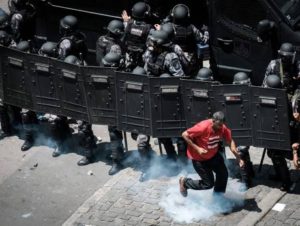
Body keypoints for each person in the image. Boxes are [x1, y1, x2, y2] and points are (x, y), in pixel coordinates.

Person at [180, 111, 244, 197]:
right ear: (213, 121)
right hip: (199, 159)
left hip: (213, 156)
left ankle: (218, 199)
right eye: (218, 125)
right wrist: (197, 148)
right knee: (208, 184)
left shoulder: (222, 127)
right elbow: (184, 134)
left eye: (222, 125)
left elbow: (230, 141)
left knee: (223, 174)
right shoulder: (202, 127)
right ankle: (185, 183)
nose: (220, 127)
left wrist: (238, 158)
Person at [162, 4, 208, 76]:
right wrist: (206, 32)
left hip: (172, 60)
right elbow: (203, 40)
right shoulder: (192, 28)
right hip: (189, 61)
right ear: (188, 15)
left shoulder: (168, 27)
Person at [232, 72, 255, 189]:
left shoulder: (250, 96)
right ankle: (250, 172)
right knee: (244, 152)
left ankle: (246, 182)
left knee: (241, 152)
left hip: (246, 130)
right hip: (243, 131)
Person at [122, 1, 153, 71]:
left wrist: (126, 20)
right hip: (142, 58)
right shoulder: (148, 28)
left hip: (129, 55)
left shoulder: (128, 24)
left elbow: (126, 29)